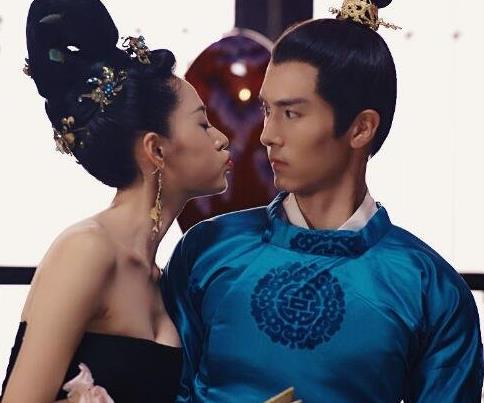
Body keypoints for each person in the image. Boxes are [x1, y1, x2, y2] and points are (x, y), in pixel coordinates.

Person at [162, 0, 484, 402]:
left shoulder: (430, 288)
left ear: (361, 128)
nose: (267, 135)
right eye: (267, 110)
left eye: (291, 114)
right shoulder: (207, 250)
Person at [1, 0, 231, 401]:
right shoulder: (87, 249)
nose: (222, 138)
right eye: (202, 124)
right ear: (156, 150)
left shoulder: (161, 276)